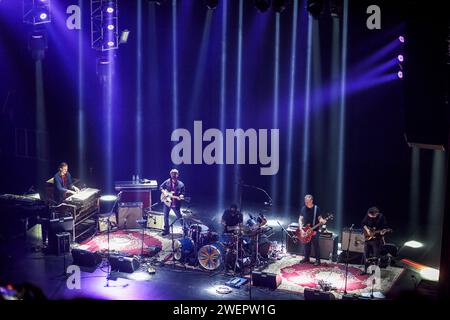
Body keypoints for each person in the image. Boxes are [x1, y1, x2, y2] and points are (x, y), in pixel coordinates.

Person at [298, 194, 326, 266]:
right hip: (306, 230)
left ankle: (317, 260)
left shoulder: (317, 208)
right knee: (306, 245)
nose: (306, 203)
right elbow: (300, 219)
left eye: (307, 202)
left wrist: (322, 220)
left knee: (316, 245)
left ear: (311, 201)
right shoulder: (303, 208)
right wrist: (301, 229)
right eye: (305, 202)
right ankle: (306, 258)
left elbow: (320, 218)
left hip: (314, 230)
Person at [361, 206, 388, 275]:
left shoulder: (381, 217)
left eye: (371, 216)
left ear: (376, 214)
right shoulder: (368, 214)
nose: (370, 217)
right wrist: (367, 230)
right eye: (369, 216)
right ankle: (366, 270)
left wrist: (383, 232)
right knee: (366, 255)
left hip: (377, 239)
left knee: (376, 256)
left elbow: (384, 228)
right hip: (368, 238)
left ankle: (374, 271)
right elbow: (363, 223)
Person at [160, 168, 186, 236]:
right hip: (167, 202)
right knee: (166, 217)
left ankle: (186, 230)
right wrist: (164, 193)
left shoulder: (181, 184)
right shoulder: (167, 181)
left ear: (177, 175)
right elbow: (161, 187)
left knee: (179, 217)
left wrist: (181, 196)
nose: (174, 175)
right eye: (172, 174)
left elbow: (183, 193)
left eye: (175, 174)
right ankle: (166, 230)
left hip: (175, 203)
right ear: (170, 174)